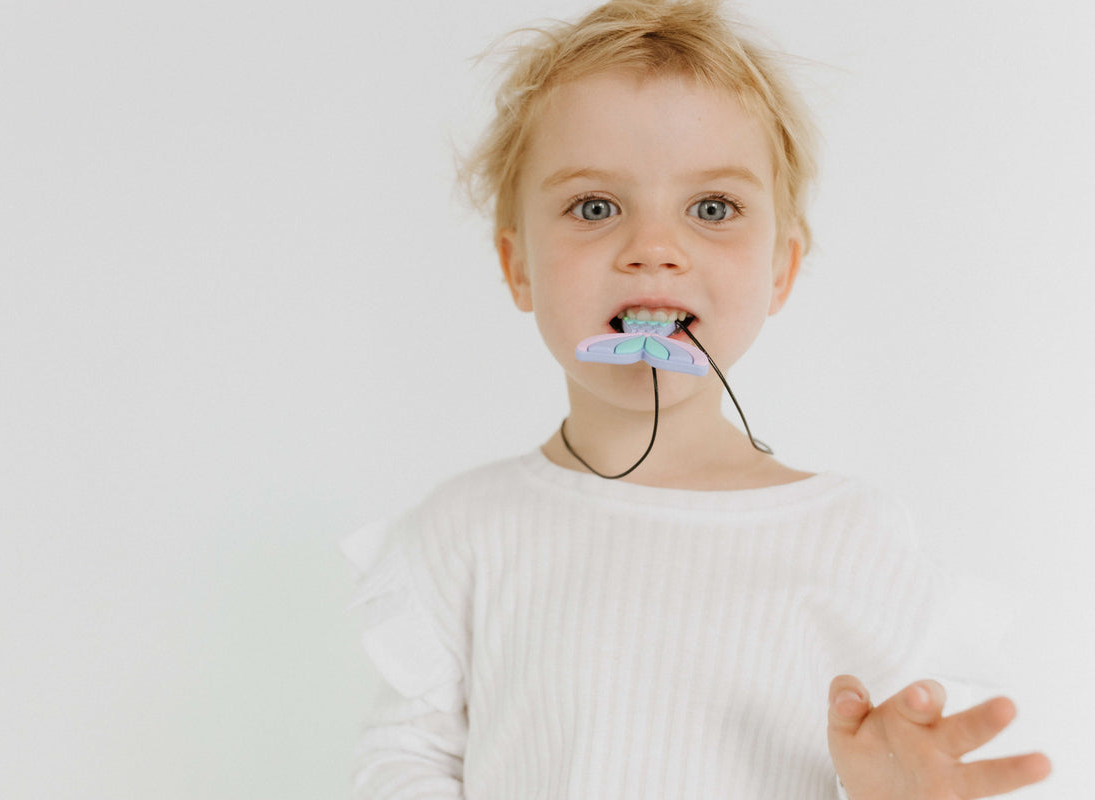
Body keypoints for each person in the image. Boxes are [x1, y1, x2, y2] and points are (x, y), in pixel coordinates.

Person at [338, 1, 1052, 797]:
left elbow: (936, 756)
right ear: (519, 268)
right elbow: (408, 761)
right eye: (595, 207)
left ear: (780, 270)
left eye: (712, 209)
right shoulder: (462, 531)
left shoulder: (855, 541)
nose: (653, 249)